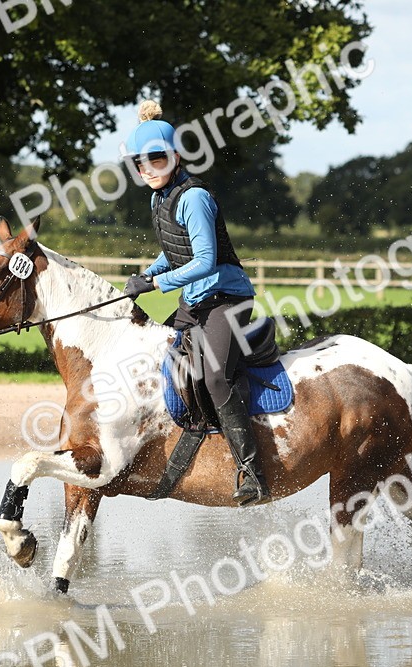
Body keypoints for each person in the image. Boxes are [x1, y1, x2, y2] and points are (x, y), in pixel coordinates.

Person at [121, 101, 271, 507]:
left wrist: (157, 284)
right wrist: (146, 276)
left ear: (175, 157)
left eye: (156, 158)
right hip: (197, 300)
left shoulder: (195, 197)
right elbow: (174, 253)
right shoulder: (160, 199)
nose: (148, 167)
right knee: (165, 364)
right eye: (140, 162)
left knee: (216, 376)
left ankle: (252, 473)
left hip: (228, 298)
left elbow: (204, 261)